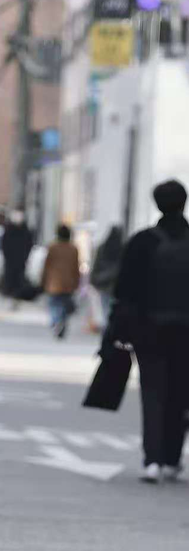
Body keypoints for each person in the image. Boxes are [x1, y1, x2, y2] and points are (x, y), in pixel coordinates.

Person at [102, 180, 189, 484]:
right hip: (185, 333)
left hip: (148, 331)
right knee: (180, 394)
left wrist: (118, 329)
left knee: (153, 393)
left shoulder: (142, 242)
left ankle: (151, 459)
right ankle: (172, 459)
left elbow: (123, 291)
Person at [41, 224, 80, 339]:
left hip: (54, 282)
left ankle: (56, 322)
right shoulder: (73, 249)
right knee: (64, 305)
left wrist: (43, 280)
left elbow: (47, 265)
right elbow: (76, 267)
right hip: (68, 283)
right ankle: (61, 322)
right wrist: (76, 282)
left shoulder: (53, 247)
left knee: (54, 304)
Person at [90, 225, 124, 325]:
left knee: (105, 307)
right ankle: (111, 327)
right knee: (114, 309)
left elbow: (96, 265)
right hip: (116, 285)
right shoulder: (122, 248)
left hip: (104, 285)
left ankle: (107, 327)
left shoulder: (102, 248)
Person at [1, 209, 33, 302]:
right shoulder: (9, 231)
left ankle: (17, 294)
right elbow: (4, 245)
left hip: (20, 261)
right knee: (11, 278)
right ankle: (11, 293)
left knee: (19, 279)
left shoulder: (25, 231)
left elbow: (29, 244)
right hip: (11, 261)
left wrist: (25, 256)